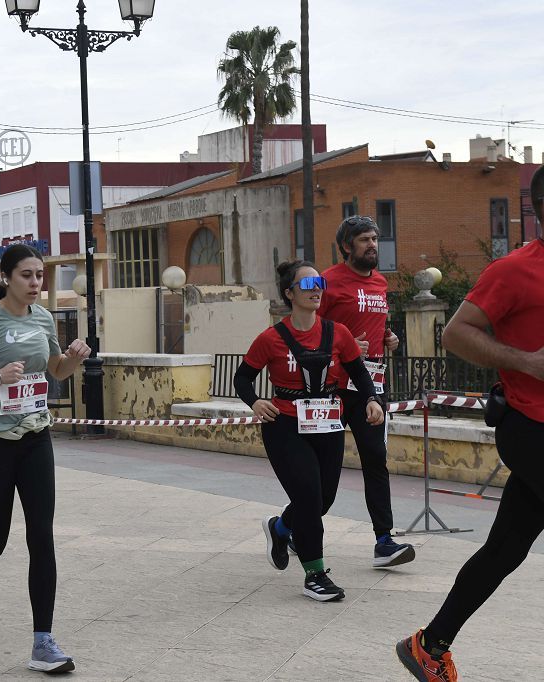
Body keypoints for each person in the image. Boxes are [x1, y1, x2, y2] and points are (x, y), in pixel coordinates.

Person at [396, 166, 544, 681]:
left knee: (505, 549)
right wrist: (527, 363)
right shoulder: (515, 270)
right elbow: (456, 334)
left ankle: (429, 645)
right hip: (532, 427)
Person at [0, 244, 91, 674]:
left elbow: (54, 370)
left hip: (35, 436)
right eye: (27, 275)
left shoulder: (42, 318)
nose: (35, 282)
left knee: (41, 536)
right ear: (6, 278)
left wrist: (73, 360)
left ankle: (43, 642)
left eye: (40, 275)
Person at [233, 260, 383, 602]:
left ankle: (280, 527)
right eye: (307, 284)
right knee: (308, 497)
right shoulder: (271, 338)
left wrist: (372, 399)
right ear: (289, 293)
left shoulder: (337, 333)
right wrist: (255, 402)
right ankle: (315, 575)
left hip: (328, 423)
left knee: (323, 499)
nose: (316, 290)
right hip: (285, 426)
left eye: (319, 284)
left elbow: (359, 373)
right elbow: (242, 378)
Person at [318, 215, 415, 568]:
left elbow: (374, 323)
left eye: (374, 238)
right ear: (347, 246)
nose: (373, 245)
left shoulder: (380, 282)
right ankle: (287, 526)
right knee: (326, 470)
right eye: (364, 240)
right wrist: (340, 345)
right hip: (332, 386)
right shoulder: (325, 281)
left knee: (376, 459)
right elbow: (307, 328)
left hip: (370, 385)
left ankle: (384, 541)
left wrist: (388, 337)